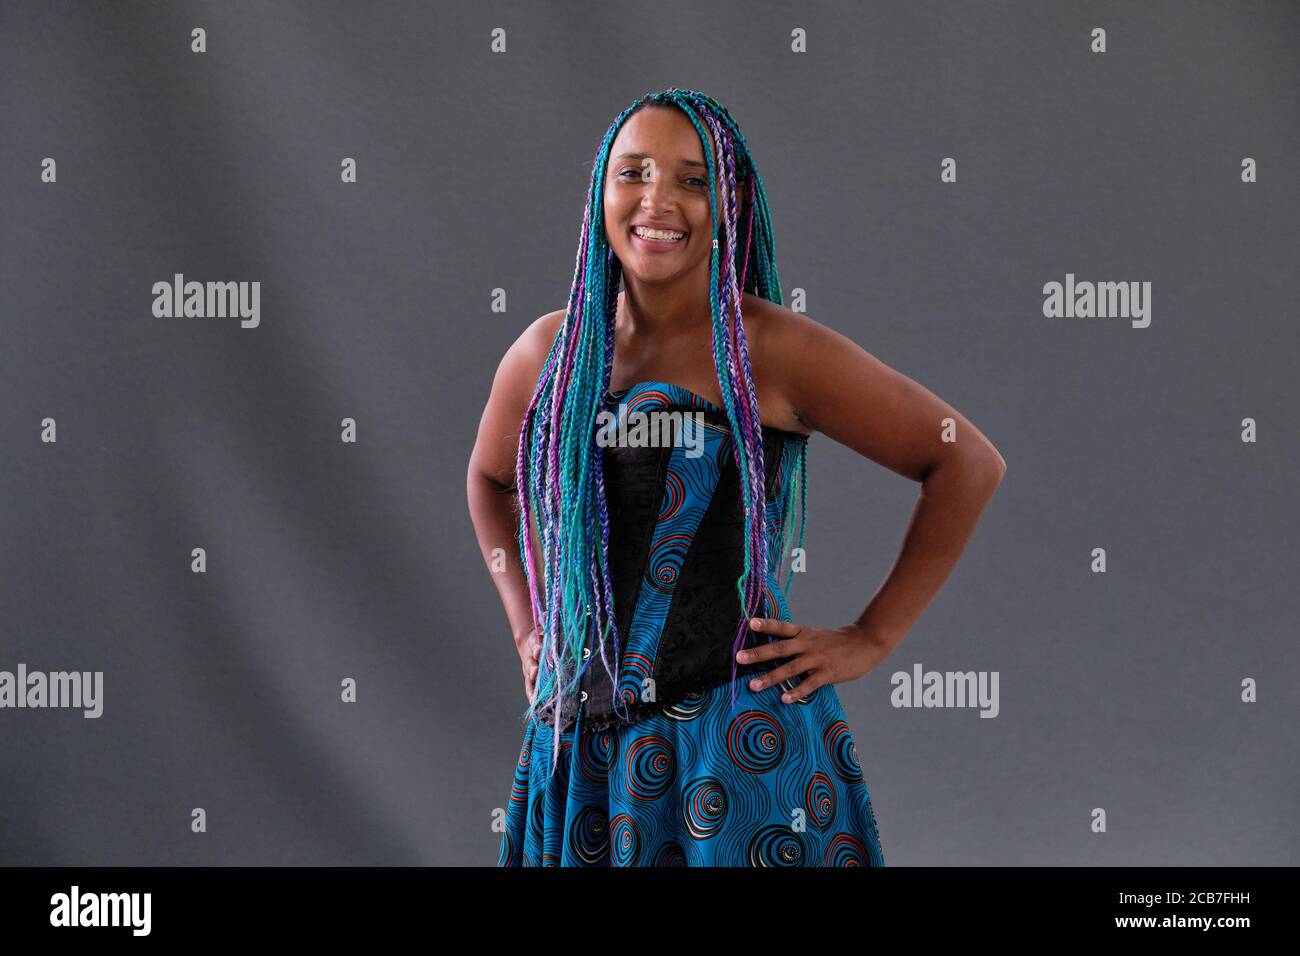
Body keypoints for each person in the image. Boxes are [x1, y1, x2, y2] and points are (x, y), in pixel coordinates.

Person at [467, 88, 1006, 867]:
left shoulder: (771, 351)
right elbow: (490, 482)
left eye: (693, 179)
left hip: (737, 753)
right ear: (601, 190)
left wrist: (872, 637)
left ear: (730, 203)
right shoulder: (545, 353)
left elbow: (964, 460)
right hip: (579, 754)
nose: (659, 200)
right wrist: (530, 628)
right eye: (635, 173)